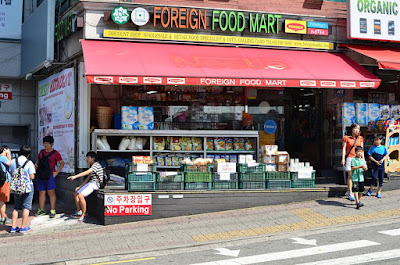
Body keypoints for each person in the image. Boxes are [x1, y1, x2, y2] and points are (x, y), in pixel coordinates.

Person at [67, 151, 103, 221]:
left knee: (80, 195)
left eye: (88, 157)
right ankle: (79, 211)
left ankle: (84, 214)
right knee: (76, 194)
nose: (86, 159)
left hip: (95, 184)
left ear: (93, 158)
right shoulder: (93, 166)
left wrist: (75, 177)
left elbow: (87, 173)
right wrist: (80, 187)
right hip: (90, 183)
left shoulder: (96, 165)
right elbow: (87, 179)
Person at [34, 136, 64, 218]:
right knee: (41, 193)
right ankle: (41, 209)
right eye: (44, 143)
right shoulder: (41, 152)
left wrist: (56, 173)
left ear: (52, 144)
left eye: (47, 143)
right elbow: (38, 160)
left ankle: (53, 210)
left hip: (50, 175)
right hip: (41, 175)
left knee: (51, 193)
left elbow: (61, 163)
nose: (45, 145)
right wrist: (36, 164)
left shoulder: (55, 153)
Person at [9, 146, 36, 233]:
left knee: (16, 207)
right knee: (26, 207)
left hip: (16, 187)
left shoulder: (13, 161)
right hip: (27, 188)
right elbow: (32, 176)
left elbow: (10, 173)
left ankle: (13, 227)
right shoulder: (29, 163)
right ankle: (23, 227)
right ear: (28, 154)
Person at [342, 123, 364, 201]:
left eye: (358, 129)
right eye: (355, 128)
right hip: (350, 158)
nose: (357, 130)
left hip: (358, 159)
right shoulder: (346, 138)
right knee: (350, 175)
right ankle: (350, 192)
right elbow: (344, 148)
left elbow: (362, 150)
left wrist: (363, 160)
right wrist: (343, 158)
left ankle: (356, 191)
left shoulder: (360, 138)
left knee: (358, 175)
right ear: (351, 129)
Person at [367, 134, 388, 198]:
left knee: (381, 178)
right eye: (375, 140)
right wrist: (375, 161)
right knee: (374, 178)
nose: (376, 141)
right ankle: (370, 190)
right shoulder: (372, 148)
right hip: (375, 166)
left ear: (381, 140)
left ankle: (379, 192)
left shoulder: (383, 147)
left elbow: (385, 155)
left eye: (377, 140)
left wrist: (382, 160)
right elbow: (370, 156)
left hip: (381, 166)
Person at [0, 146, 12, 225]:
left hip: (2, 180)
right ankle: (3, 217)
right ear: (4, 150)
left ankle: (3, 216)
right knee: (2, 200)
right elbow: (10, 165)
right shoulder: (2, 157)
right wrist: (9, 156)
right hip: (4, 181)